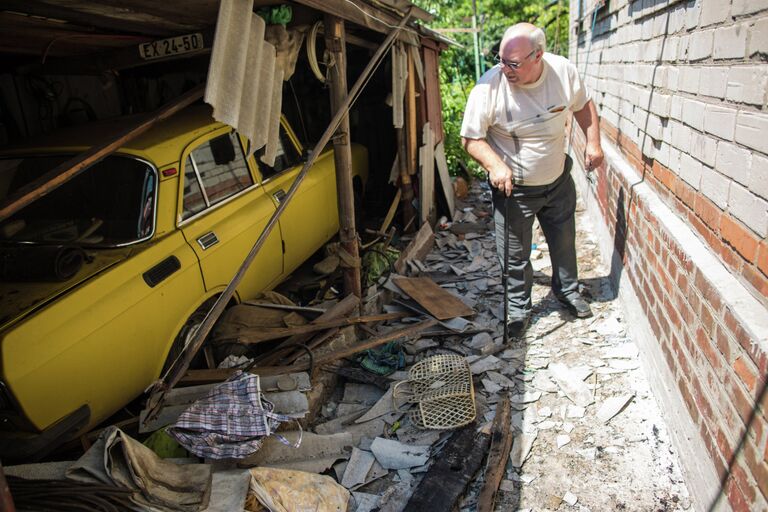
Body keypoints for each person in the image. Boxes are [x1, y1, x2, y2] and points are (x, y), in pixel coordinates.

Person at [460, 23, 604, 338]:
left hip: (557, 182)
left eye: (513, 63)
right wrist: (495, 165)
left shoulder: (562, 71)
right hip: (515, 193)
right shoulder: (489, 88)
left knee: (564, 242)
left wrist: (594, 143)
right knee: (514, 256)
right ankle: (518, 310)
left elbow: (583, 106)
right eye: (501, 60)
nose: (504, 69)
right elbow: (471, 139)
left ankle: (567, 290)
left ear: (537, 56)